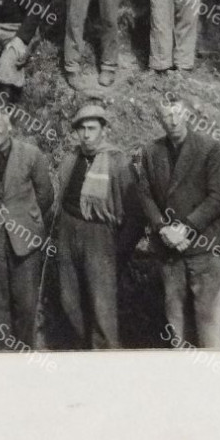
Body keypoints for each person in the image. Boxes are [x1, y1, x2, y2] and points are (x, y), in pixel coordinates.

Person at [135, 96, 220, 349]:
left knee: (208, 317)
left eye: (178, 113)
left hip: (205, 246)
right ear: (159, 120)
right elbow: (144, 194)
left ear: (187, 115)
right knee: (175, 317)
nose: (173, 120)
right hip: (169, 248)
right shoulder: (151, 152)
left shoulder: (208, 148)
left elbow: (218, 196)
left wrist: (186, 227)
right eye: (167, 115)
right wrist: (161, 227)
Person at [0, 106, 55, 350]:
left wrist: (27, 218)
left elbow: (46, 194)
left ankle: (25, 348)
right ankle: (5, 348)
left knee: (25, 299)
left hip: (25, 233)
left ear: (8, 126)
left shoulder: (31, 154)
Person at [52, 103, 137, 349]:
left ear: (103, 130)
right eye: (81, 129)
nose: (86, 134)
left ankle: (107, 356)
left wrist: (119, 250)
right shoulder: (71, 158)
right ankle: (83, 349)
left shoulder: (117, 162)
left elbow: (135, 214)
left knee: (102, 305)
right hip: (68, 231)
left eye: (92, 128)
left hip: (100, 236)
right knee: (69, 299)